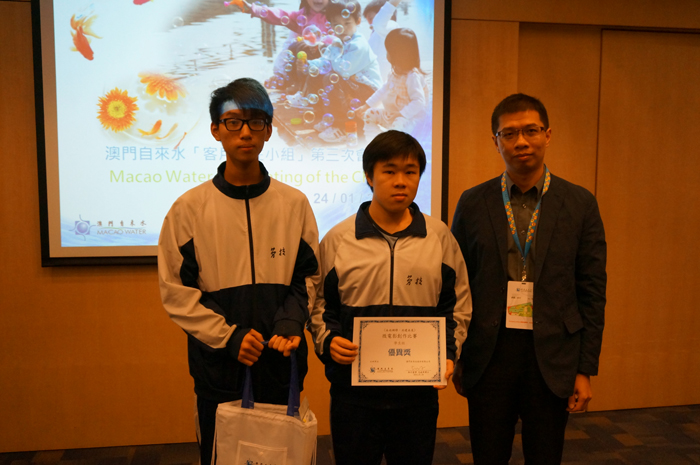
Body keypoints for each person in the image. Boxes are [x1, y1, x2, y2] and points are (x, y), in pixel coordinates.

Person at [157, 78, 320, 465]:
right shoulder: (188, 209)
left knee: (283, 457)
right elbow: (177, 293)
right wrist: (229, 337)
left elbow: (309, 276)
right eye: (233, 121)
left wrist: (290, 323)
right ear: (216, 129)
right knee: (221, 456)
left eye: (256, 121)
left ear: (269, 130)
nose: (245, 132)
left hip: (281, 364)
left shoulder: (294, 203)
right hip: (220, 370)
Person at [451, 93, 607, 464]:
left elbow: (592, 291)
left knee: (545, 455)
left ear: (547, 135)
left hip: (552, 354)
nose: (521, 141)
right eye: (509, 133)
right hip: (490, 353)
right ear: (496, 141)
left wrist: (584, 369)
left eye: (531, 131)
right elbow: (456, 285)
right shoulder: (472, 202)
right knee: (488, 455)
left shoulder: (580, 203)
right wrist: (455, 355)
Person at [309, 130, 472, 465]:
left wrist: (448, 353)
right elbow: (319, 305)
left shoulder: (439, 237)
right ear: (369, 176)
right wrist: (329, 341)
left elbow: (456, 305)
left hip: (417, 396)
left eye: (410, 172)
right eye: (389, 171)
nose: (401, 181)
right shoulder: (339, 239)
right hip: (353, 396)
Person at [307, 0, 382, 143]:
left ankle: (340, 126)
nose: (342, 29)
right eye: (337, 25)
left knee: (331, 77)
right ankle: (327, 118)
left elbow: (343, 70)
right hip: (353, 86)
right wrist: (309, 65)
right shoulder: (338, 42)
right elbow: (325, 60)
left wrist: (329, 60)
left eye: (347, 23)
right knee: (316, 73)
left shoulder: (358, 45)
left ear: (358, 21)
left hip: (369, 92)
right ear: (331, 25)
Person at [358, 27, 429, 137]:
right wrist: (367, 106)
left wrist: (401, 114)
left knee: (398, 125)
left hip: (409, 120)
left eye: (389, 51)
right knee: (369, 115)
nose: (386, 54)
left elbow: (419, 102)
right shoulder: (394, 73)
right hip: (392, 115)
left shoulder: (413, 77)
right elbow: (382, 91)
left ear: (398, 55)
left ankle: (392, 142)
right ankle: (373, 139)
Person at [363, 0, 400, 80]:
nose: (369, 21)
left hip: (387, 79)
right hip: (377, 79)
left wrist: (392, 3)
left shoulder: (391, 26)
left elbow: (379, 23)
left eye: (371, 18)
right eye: (367, 19)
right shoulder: (375, 33)